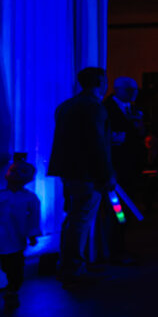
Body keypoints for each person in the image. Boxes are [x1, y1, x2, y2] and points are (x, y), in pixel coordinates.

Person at [48, 66, 115, 287]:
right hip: (87, 174)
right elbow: (98, 144)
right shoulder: (94, 107)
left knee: (72, 218)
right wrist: (107, 174)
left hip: (68, 172)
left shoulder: (66, 106)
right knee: (81, 220)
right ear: (100, 83)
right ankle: (74, 269)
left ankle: (67, 265)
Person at [100, 77, 145, 264]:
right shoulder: (106, 108)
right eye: (129, 90)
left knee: (123, 211)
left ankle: (119, 247)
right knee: (116, 210)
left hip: (131, 167)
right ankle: (114, 250)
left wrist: (138, 126)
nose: (134, 93)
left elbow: (138, 135)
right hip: (115, 167)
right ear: (117, 89)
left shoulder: (133, 108)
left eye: (135, 89)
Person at [0, 157, 41, 308]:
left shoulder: (30, 198)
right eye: (13, 170)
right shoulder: (1, 194)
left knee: (15, 268)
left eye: (22, 171)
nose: (16, 173)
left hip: (15, 239)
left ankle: (12, 291)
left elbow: (34, 217)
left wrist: (32, 234)